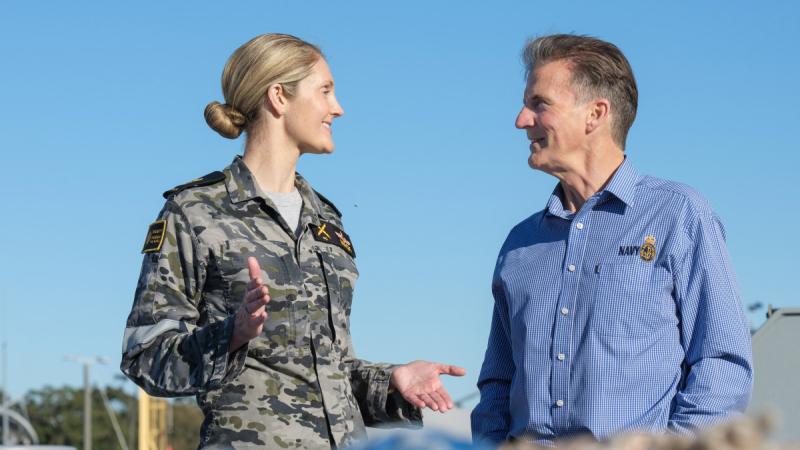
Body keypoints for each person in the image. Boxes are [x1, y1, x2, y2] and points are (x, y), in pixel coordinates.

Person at [121, 33, 465, 450]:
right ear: (279, 97)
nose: (337, 108)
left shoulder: (327, 222)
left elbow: (329, 370)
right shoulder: (194, 212)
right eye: (325, 91)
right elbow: (146, 357)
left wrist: (393, 380)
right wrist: (233, 333)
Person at [471, 34, 752, 445]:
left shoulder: (679, 215)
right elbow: (498, 381)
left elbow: (721, 363)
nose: (521, 119)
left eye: (539, 104)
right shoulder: (519, 243)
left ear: (595, 114)